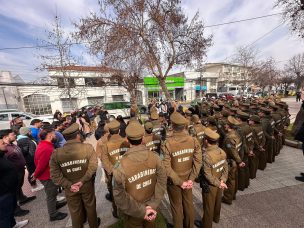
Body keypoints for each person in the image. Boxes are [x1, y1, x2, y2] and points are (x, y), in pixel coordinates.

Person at [113, 121, 167, 227]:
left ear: (127, 140)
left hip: (133, 212)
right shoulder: (155, 157)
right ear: (143, 138)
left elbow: (119, 196)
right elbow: (162, 182)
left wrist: (143, 210)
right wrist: (152, 205)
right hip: (150, 207)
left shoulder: (120, 166)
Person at [50, 123, 100, 228]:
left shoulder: (57, 153)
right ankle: (94, 225)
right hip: (86, 185)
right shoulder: (87, 148)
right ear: (77, 135)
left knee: (75, 212)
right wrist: (82, 181)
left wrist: (69, 185)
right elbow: (93, 167)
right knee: (90, 207)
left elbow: (55, 175)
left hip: (70, 188)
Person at [162, 112, 202, 228]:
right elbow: (198, 161)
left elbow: (166, 166)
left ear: (172, 126)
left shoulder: (167, 143)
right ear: (184, 126)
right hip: (188, 177)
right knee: (188, 203)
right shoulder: (193, 140)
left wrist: (180, 182)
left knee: (176, 206)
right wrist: (191, 179)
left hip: (174, 181)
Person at [33, 127, 68, 221]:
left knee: (53, 192)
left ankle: (55, 204)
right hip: (47, 176)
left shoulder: (46, 145)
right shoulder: (46, 148)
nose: (55, 135)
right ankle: (53, 214)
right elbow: (41, 165)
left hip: (48, 174)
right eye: (54, 134)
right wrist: (35, 175)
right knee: (51, 195)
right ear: (49, 135)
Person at [0, 129, 36, 217]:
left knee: (18, 186)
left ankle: (22, 198)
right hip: (14, 172)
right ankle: (16, 209)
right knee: (14, 190)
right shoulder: (5, 148)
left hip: (20, 170)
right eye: (12, 134)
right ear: (5, 137)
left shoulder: (12, 144)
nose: (15, 136)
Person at [197, 128, 228, 228]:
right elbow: (225, 167)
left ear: (206, 141)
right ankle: (216, 218)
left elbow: (207, 175)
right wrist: (222, 180)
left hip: (211, 185)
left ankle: (206, 224)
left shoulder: (207, 156)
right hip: (220, 181)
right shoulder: (222, 152)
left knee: (208, 206)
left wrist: (219, 183)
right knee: (217, 201)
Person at [100, 119, 130, 218]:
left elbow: (104, 161)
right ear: (118, 130)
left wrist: (113, 172)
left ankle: (116, 212)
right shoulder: (126, 142)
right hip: (126, 173)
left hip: (113, 176)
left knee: (115, 195)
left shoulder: (106, 145)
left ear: (109, 131)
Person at [0, 135, 29, 228]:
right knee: (4, 217)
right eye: (3, 143)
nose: (6, 144)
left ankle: (14, 224)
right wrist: (6, 187)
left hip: (10, 190)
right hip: (3, 193)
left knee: (10, 212)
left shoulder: (2, 155)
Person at [222, 117, 245, 205]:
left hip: (231, 162)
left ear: (228, 126)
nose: (225, 125)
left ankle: (227, 198)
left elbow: (233, 152)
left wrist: (240, 161)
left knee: (230, 180)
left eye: (226, 124)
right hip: (235, 161)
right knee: (233, 179)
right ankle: (232, 195)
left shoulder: (229, 138)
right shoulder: (237, 134)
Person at [17, 127, 44, 192]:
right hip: (30, 160)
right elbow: (24, 151)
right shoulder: (22, 140)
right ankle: (34, 186)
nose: (31, 132)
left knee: (34, 171)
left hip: (32, 158)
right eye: (30, 131)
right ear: (26, 132)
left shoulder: (26, 138)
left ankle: (35, 183)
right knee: (31, 172)